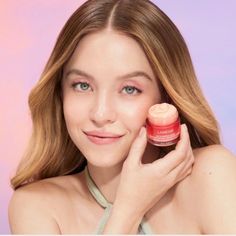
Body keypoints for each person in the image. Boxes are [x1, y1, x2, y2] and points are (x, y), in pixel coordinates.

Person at [8, 0, 236, 234]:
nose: (100, 114)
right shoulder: (36, 205)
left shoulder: (212, 176)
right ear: (60, 92)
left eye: (129, 89)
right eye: (82, 85)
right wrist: (128, 209)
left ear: (165, 98)